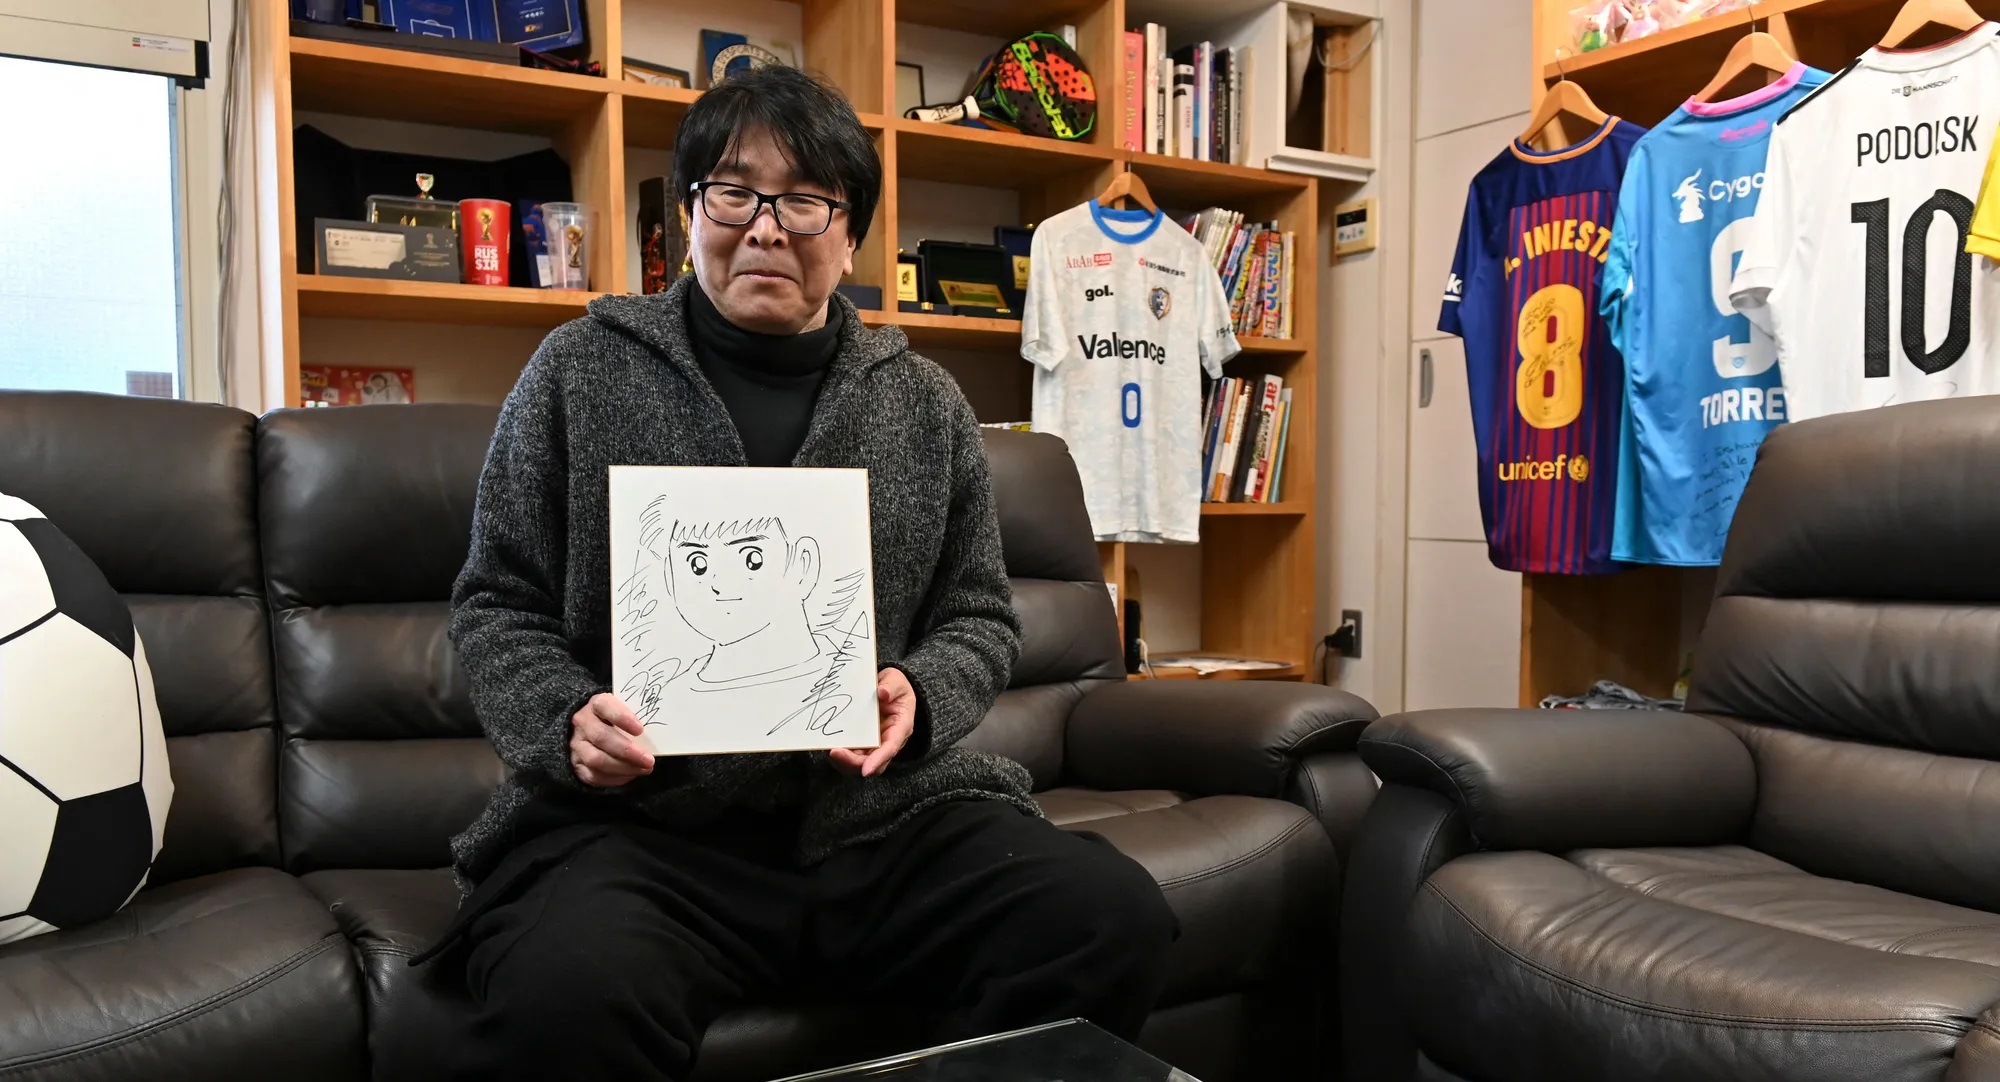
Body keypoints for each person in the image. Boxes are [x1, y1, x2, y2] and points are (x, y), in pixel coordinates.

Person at [415, 64, 1177, 1081]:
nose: (767, 228)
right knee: (565, 996)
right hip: (642, 832)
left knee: (1106, 918)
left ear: (849, 235)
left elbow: (979, 615)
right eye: (734, 192)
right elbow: (496, 602)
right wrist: (564, 721)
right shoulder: (577, 370)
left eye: (806, 200)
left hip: (877, 820)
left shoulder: (924, 402)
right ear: (689, 213)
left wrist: (921, 694)